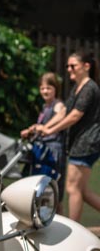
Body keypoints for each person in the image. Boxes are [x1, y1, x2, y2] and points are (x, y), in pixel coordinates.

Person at [30, 53, 100, 222]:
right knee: (82, 191)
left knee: (72, 188)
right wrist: (44, 128)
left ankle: (73, 230)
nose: (69, 69)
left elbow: (75, 115)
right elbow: (64, 112)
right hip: (82, 142)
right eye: (68, 66)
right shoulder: (77, 88)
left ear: (86, 66)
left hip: (86, 143)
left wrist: (51, 130)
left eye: (73, 65)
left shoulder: (89, 87)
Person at [21, 72, 66, 185]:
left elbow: (61, 116)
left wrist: (43, 127)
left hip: (52, 151)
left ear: (56, 89)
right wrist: (32, 130)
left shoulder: (57, 105)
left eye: (49, 88)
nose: (45, 91)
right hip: (42, 150)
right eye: (42, 88)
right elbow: (41, 126)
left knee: (51, 188)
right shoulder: (45, 106)